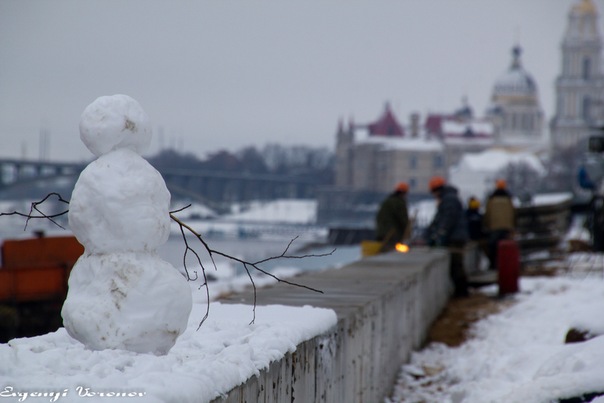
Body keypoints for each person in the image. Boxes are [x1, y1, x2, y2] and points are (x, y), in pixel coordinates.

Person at [423, 176, 469, 297]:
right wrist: (429, 233)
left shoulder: (449, 199)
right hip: (455, 236)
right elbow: (438, 219)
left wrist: (440, 233)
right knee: (455, 265)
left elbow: (448, 219)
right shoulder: (448, 198)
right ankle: (461, 291)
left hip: (455, 238)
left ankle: (462, 292)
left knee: (456, 265)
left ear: (437, 190)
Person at [483, 178, 515, 270]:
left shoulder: (491, 199)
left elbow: (487, 214)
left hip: (494, 228)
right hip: (507, 228)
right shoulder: (509, 198)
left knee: (493, 247)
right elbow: (513, 213)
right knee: (507, 247)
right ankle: (507, 265)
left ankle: (493, 265)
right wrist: (513, 226)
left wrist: (486, 225)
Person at [375, 182, 410, 252]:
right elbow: (403, 220)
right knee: (391, 252)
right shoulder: (399, 203)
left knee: (382, 252)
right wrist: (407, 231)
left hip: (381, 233)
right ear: (404, 193)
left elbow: (378, 217)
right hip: (392, 234)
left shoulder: (387, 201)